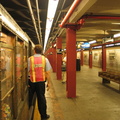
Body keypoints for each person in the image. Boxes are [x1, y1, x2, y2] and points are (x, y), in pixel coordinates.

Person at [28, 44, 52, 120]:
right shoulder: (45, 59)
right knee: (41, 98)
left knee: (30, 97)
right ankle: (43, 116)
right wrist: (49, 83)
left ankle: (27, 112)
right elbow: (48, 72)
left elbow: (27, 70)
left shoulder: (30, 59)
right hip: (41, 82)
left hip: (31, 82)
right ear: (41, 51)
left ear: (34, 51)